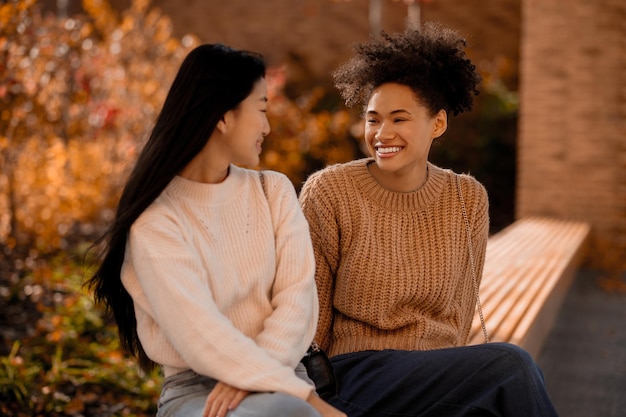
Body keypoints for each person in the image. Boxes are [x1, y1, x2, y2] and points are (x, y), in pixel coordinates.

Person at [299, 23, 560, 417]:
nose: (382, 132)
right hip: (354, 378)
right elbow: (306, 320)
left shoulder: (466, 198)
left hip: (433, 377)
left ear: (437, 124)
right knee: (512, 366)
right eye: (373, 119)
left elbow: (458, 316)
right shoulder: (330, 192)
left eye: (399, 119)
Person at [86, 44, 346, 417]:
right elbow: (201, 334)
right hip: (198, 393)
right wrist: (308, 399)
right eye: (261, 110)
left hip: (284, 376)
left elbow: (298, 301)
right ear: (223, 117)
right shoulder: (156, 221)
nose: (268, 127)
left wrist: (258, 375)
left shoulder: (272, 191)